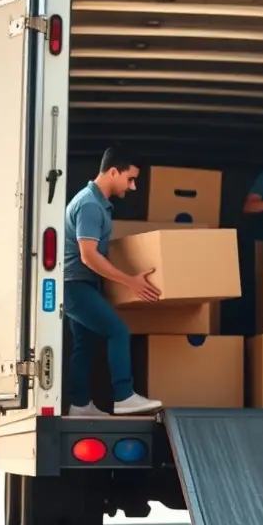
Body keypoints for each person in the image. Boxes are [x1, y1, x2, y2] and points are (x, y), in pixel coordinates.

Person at [63, 147, 164, 416]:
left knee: (85, 345)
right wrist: (130, 281)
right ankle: (124, 396)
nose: (132, 187)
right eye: (130, 179)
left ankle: (80, 405)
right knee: (118, 331)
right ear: (112, 172)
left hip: (81, 284)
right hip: (75, 284)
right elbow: (88, 256)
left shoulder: (97, 204)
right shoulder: (90, 205)